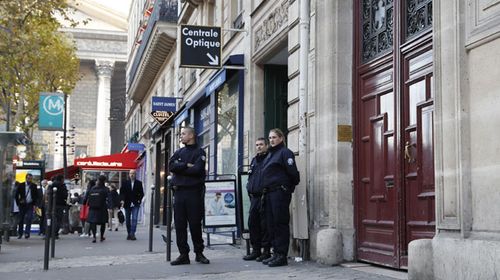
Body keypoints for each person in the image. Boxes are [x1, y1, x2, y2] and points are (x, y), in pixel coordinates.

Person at [168, 126, 209, 265]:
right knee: (180, 225)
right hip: (179, 193)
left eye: (183, 134)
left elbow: (198, 170)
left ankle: (199, 253)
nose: (181, 136)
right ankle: (183, 254)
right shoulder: (178, 151)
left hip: (193, 193)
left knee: (195, 224)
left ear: (191, 135)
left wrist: (181, 168)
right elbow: (171, 166)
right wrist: (187, 165)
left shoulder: (199, 152)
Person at [261, 128, 300, 267]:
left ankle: (282, 255)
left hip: (280, 193)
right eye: (270, 138)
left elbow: (293, 174)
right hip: (270, 193)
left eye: (274, 137)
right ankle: (276, 253)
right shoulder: (270, 154)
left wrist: (287, 188)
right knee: (271, 224)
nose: (271, 140)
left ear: (281, 138)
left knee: (280, 223)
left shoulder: (285, 153)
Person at [243, 137, 271, 261]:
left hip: (265, 196)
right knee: (253, 224)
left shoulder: (269, 159)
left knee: (264, 225)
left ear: (266, 146)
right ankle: (256, 250)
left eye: (261, 144)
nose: (258, 147)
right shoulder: (254, 160)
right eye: (256, 145)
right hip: (254, 197)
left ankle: (266, 252)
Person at [120, 169, 144, 240]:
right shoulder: (125, 183)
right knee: (127, 220)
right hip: (127, 204)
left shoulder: (139, 183)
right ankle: (129, 233)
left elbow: (141, 193)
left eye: (133, 173)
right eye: (131, 173)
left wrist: (139, 200)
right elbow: (122, 193)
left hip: (135, 204)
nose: (132, 175)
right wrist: (122, 200)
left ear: (135, 174)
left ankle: (132, 233)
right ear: (129, 175)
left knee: (134, 219)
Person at [14, 173, 39, 239]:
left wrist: (35, 204)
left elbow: (36, 196)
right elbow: (16, 194)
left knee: (29, 218)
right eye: (28, 178)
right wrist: (18, 202)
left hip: (30, 204)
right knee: (21, 219)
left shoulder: (34, 186)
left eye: (30, 179)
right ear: (26, 178)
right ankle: (20, 233)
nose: (29, 180)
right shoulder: (21, 185)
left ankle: (27, 233)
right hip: (22, 205)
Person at [87, 175, 109, 243]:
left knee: (93, 222)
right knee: (103, 223)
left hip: (93, 208)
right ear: (104, 181)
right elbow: (108, 198)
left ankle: (94, 237)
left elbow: (87, 196)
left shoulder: (92, 188)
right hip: (102, 208)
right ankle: (101, 236)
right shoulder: (105, 189)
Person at [52, 175, 68, 239]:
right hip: (60, 204)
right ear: (61, 179)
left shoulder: (52, 184)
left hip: (52, 204)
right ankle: (55, 233)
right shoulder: (62, 186)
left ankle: (51, 232)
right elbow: (65, 195)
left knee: (52, 218)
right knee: (59, 219)